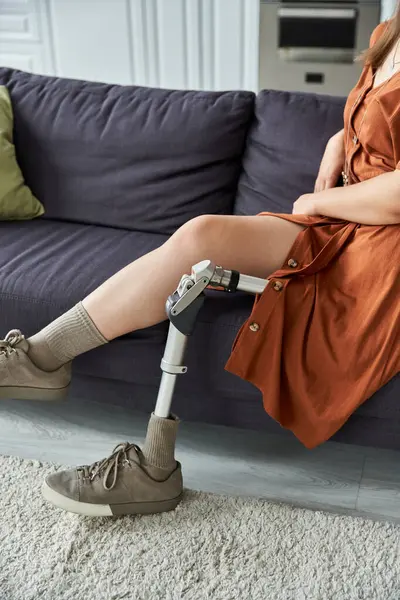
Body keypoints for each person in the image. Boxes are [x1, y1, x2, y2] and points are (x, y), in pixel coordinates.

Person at [1, 19, 399, 517]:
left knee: (202, 255)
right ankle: (41, 359)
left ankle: (142, 459)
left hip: (380, 244)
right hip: (345, 221)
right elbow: (375, 118)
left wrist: (321, 198)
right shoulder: (389, 32)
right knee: (200, 238)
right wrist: (337, 141)